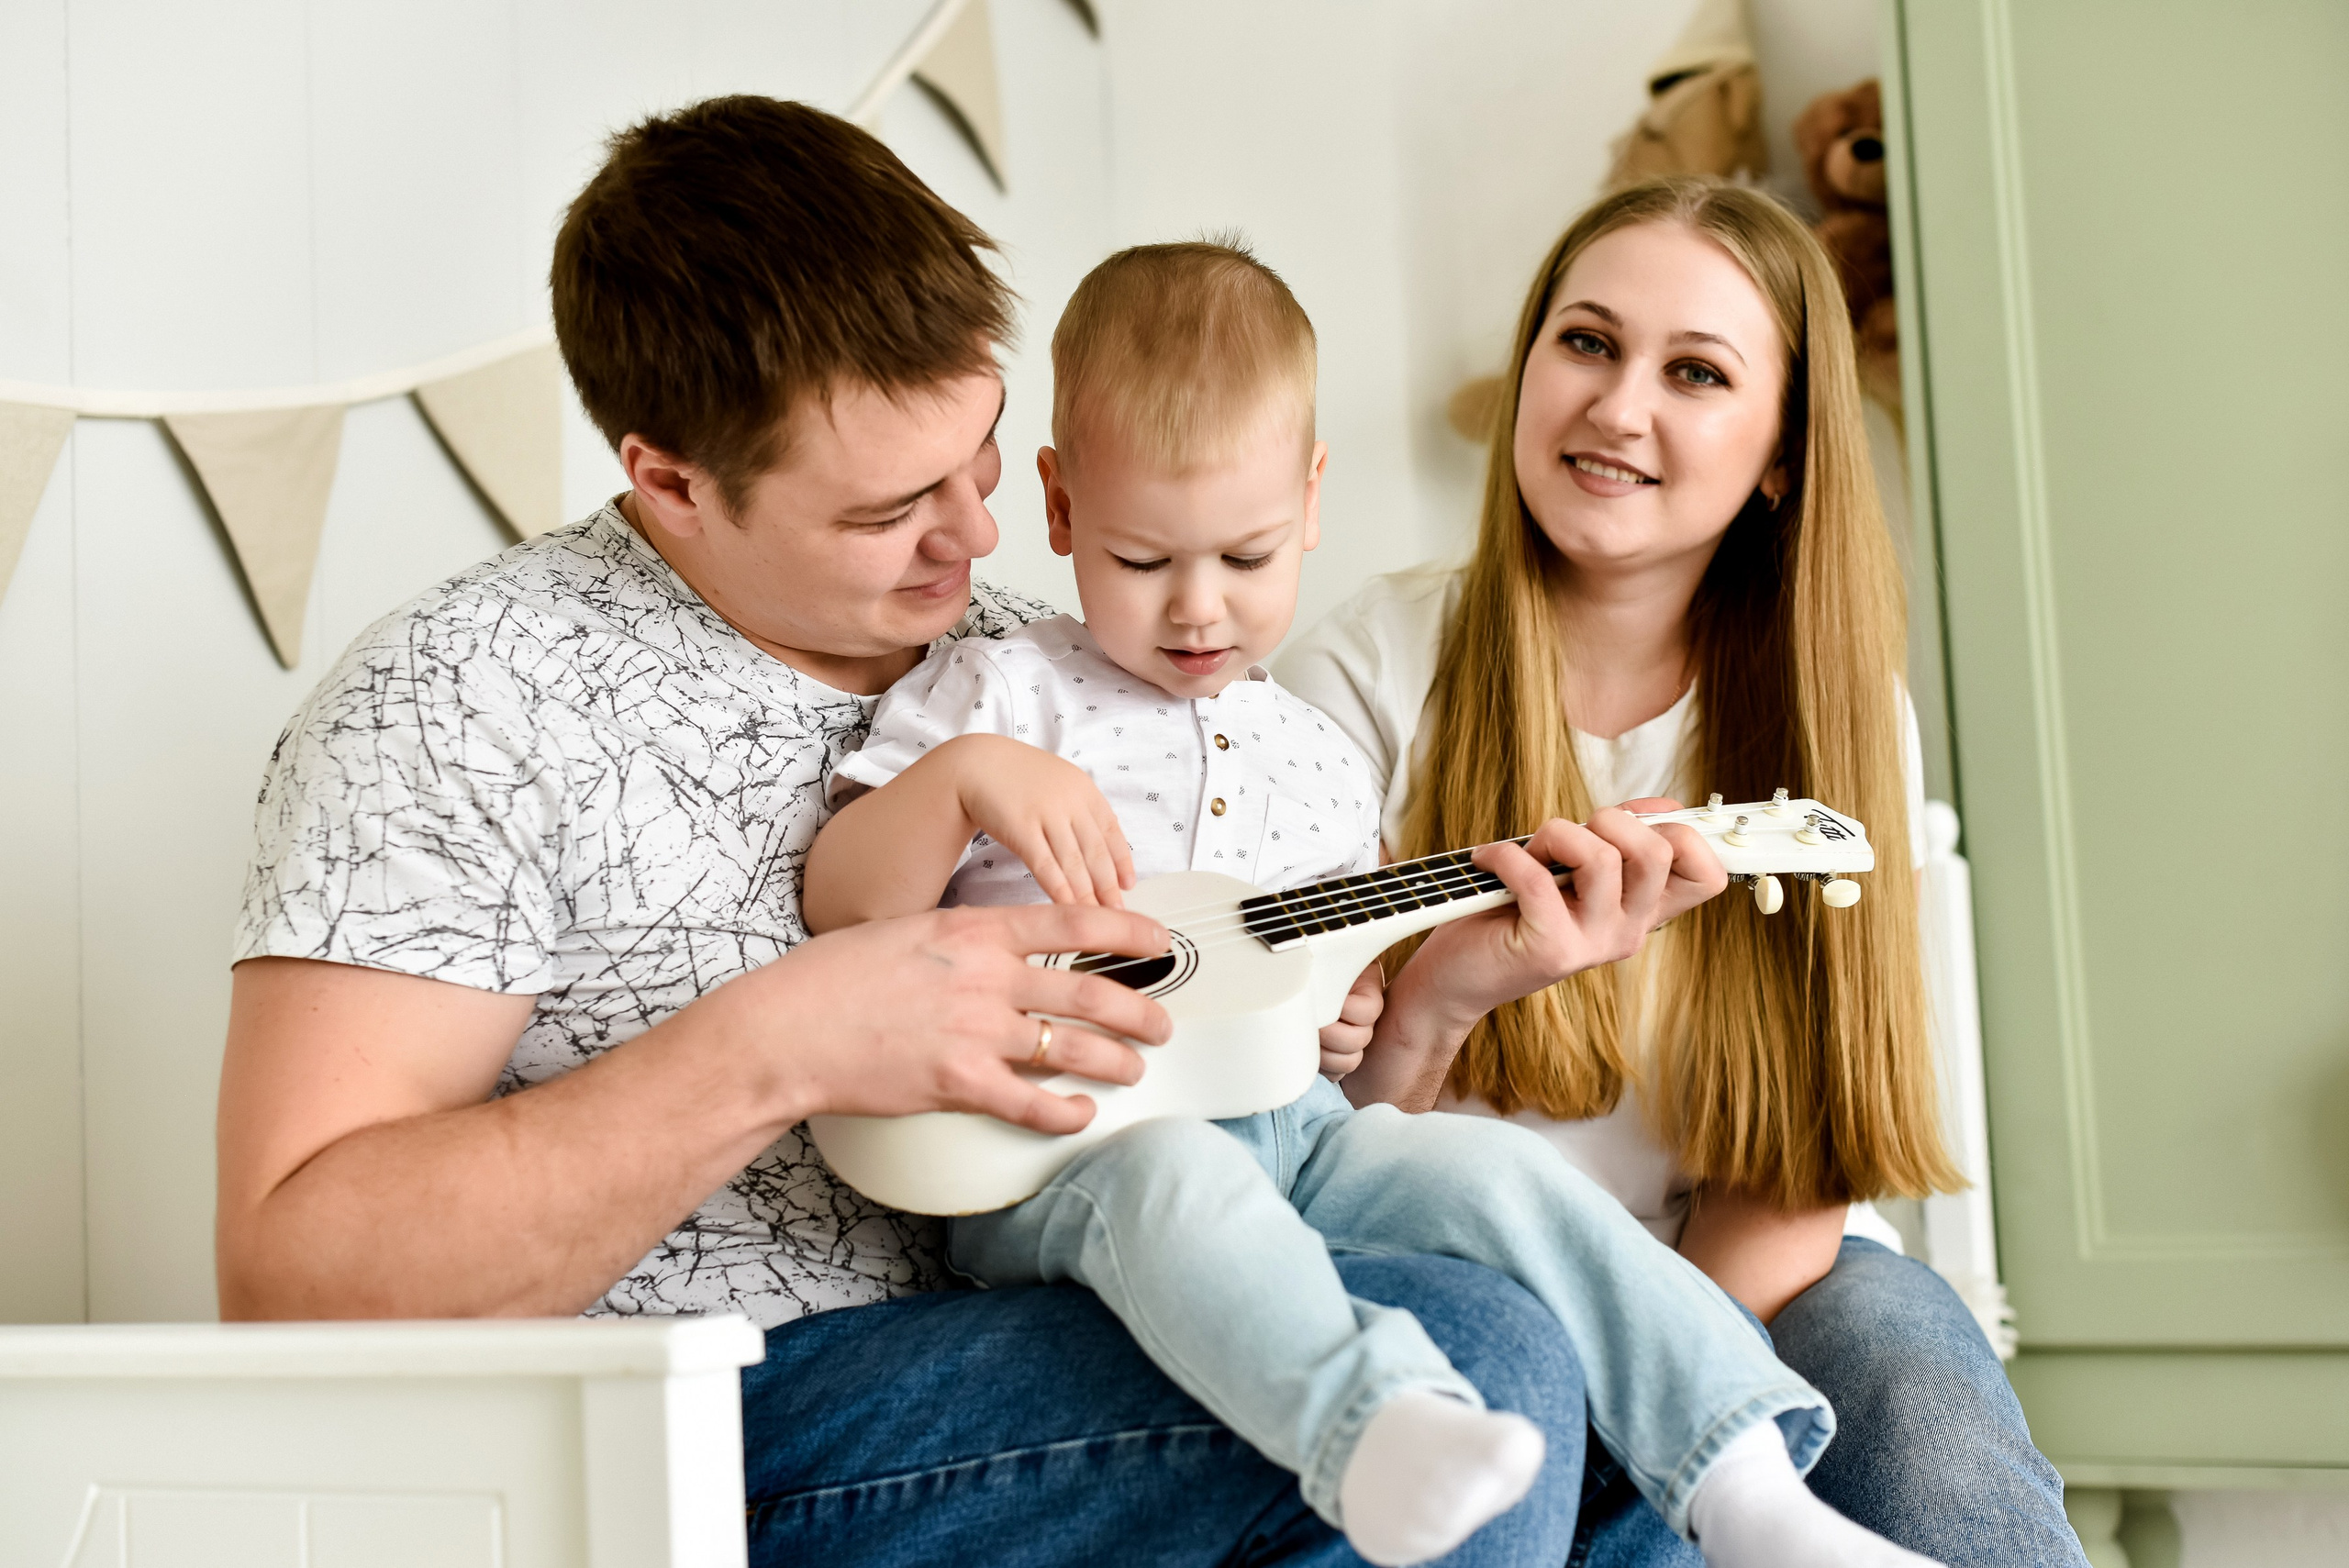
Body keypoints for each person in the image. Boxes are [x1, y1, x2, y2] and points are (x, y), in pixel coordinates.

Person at [214, 96, 1623, 1567]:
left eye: (985, 453)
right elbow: (293, 1286)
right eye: (891, 507)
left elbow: (1266, 1115)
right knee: (1477, 1355)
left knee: (1612, 1390)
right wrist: (783, 1043)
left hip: (1087, 1291)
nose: (980, 535)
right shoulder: (462, 697)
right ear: (674, 481)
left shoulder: (1049, 655)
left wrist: (1424, 1003)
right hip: (705, 1419)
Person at [807, 240, 1935, 1568]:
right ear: (1058, 506)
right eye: (1142, 557)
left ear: (1311, 501)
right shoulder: (1001, 692)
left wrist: (1345, 1022)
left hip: (1296, 1138)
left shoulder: (1316, 759)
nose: (1198, 609)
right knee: (1176, 1176)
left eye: (1246, 555)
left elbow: (1335, 1043)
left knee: (1495, 1169)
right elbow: (842, 904)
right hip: (1061, 1146)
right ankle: (1376, 1434)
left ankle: (1749, 1492)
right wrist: (959, 786)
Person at [1277, 178, 2088, 1566]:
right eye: (1587, 342)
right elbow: (1297, 1164)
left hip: (1739, 1279)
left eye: (1697, 372)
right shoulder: (1361, 672)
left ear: (1780, 454)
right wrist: (1441, 1000)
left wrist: (1678, 1411)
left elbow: (1802, 1157)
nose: (1617, 406)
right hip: (1438, 1278)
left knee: (1906, 1367)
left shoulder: (1837, 716)